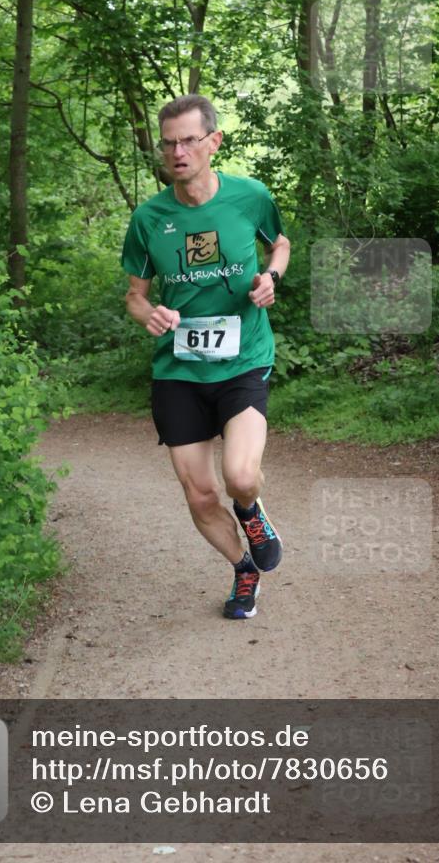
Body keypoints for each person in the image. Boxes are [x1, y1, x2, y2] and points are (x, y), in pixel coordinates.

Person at [121, 94, 291, 619]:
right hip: (179, 371)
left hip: (243, 360)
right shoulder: (149, 218)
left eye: (189, 141)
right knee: (199, 494)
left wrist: (271, 277)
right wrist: (148, 313)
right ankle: (243, 569)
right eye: (168, 143)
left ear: (213, 142)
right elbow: (134, 295)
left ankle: (251, 510)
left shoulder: (249, 197)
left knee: (239, 476)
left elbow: (280, 243)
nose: (177, 152)